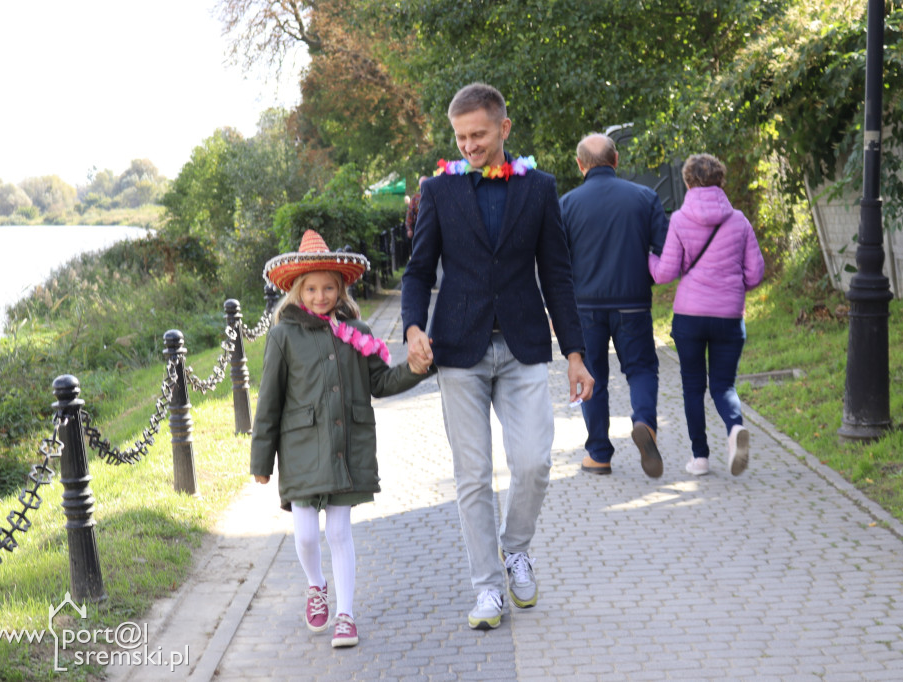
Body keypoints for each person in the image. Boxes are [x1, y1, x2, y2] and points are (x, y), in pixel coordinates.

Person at [401, 82, 594, 631]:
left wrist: (575, 354)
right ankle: (488, 589)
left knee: (535, 460)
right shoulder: (437, 190)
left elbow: (557, 275)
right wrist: (413, 327)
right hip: (458, 350)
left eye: (479, 135)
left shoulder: (540, 189)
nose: (469, 145)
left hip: (523, 345)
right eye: (460, 137)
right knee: (473, 476)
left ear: (504, 129)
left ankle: (517, 549)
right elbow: (418, 271)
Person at [251, 230, 433, 648]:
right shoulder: (283, 337)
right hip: (300, 450)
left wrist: (417, 368)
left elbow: (381, 381)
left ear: (341, 288)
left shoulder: (358, 330)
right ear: (297, 291)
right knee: (306, 535)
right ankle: (316, 585)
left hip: (346, 446)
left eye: (328, 287)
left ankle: (346, 616)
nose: (320, 296)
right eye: (311, 289)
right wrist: (261, 462)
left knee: (338, 532)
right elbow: (268, 403)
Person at [559, 133, 670, 478]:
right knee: (640, 369)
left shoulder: (566, 204)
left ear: (580, 165)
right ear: (616, 159)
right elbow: (666, 249)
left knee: (592, 377)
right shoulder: (645, 197)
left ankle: (599, 454)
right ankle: (645, 425)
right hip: (633, 302)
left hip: (585, 306)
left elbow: (556, 263)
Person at [648, 153, 765, 476]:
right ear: (721, 181)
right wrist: (729, 285)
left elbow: (665, 273)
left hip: (690, 317)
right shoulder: (739, 220)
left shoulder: (681, 220)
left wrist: (647, 259)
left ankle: (700, 458)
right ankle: (734, 429)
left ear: (687, 182)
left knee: (692, 386)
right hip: (729, 316)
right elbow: (755, 274)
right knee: (724, 386)